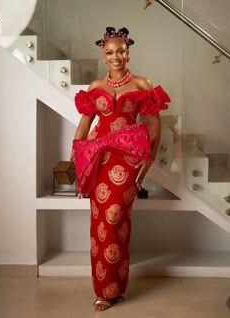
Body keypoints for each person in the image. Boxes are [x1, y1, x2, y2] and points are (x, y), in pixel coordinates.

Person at [70, 26, 170, 312]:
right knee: (99, 223)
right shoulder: (94, 87)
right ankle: (105, 290)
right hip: (99, 159)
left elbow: (154, 127)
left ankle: (116, 286)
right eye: (110, 52)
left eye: (121, 51)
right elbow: (84, 125)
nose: (116, 57)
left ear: (128, 52)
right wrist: (76, 156)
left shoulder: (142, 84)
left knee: (116, 217)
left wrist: (147, 160)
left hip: (128, 159)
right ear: (104, 56)